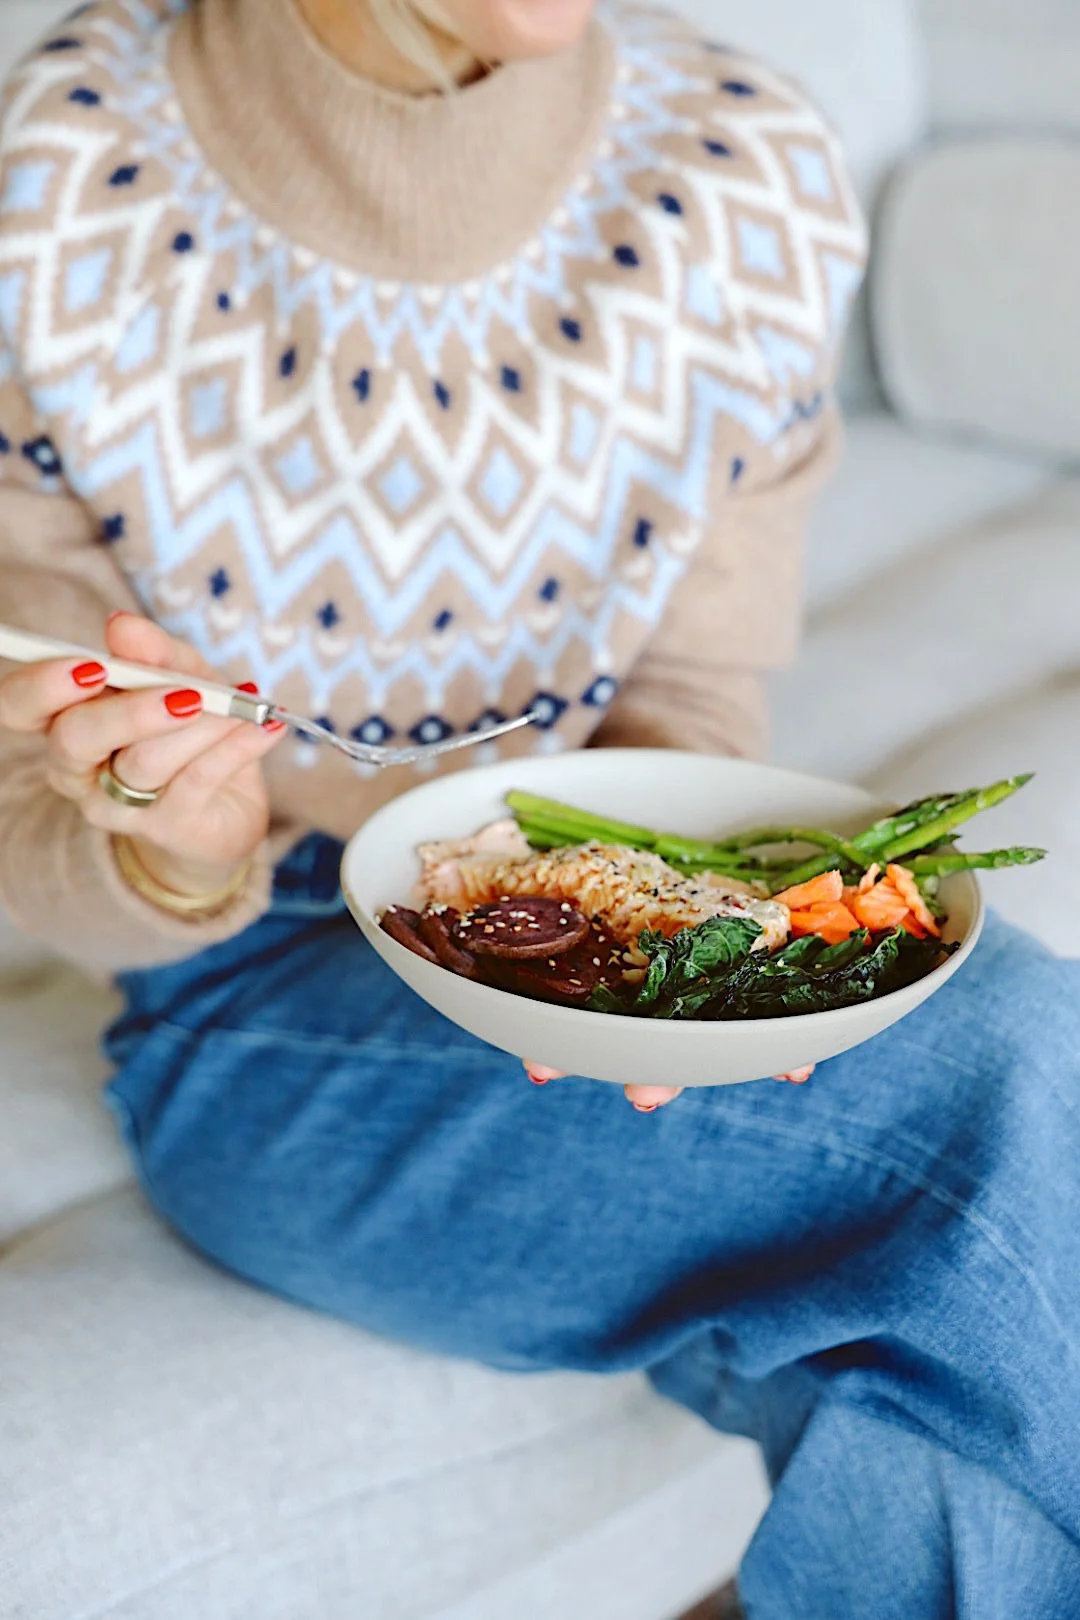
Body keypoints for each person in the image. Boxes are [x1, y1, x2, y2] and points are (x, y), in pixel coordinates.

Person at [0, 2, 1077, 1615]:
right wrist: (171, 841)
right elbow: (38, 818)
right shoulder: (58, 182)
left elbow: (690, 706)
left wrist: (670, 959)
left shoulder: (745, 171)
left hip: (589, 910)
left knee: (952, 1377)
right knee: (1013, 1066)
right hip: (257, 998)